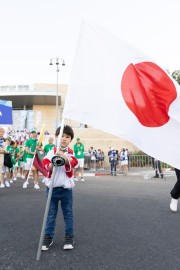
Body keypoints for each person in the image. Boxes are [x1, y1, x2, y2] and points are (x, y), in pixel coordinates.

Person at [41, 125, 78, 251]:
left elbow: (73, 163)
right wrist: (51, 164)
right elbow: (45, 165)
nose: (64, 139)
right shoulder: (51, 151)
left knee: (68, 214)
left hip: (66, 189)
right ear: (56, 137)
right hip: (52, 189)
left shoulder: (71, 152)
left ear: (70, 139)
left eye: (67, 137)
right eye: (61, 136)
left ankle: (69, 236)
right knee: (50, 214)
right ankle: (48, 237)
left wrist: (64, 157)